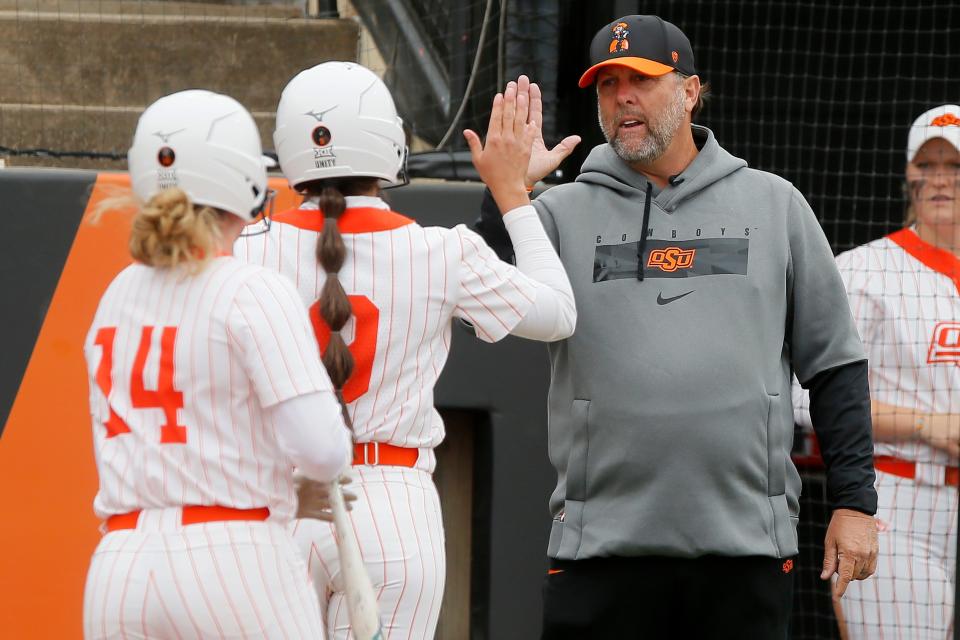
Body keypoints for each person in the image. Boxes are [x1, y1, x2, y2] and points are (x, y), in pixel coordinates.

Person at [472, 14, 880, 639]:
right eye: (607, 84)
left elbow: (835, 367)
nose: (621, 97)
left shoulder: (775, 204)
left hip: (745, 552)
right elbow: (486, 295)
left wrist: (854, 502)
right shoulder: (557, 213)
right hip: (599, 553)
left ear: (690, 92)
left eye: (640, 78)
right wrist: (506, 193)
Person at [235, 61, 576, 639]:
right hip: (392, 506)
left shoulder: (243, 249)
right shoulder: (443, 252)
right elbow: (558, 315)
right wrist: (513, 192)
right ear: (388, 142)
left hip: (277, 498)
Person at [82, 90, 353, 639]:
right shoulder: (251, 287)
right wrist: (281, 488)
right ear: (242, 179)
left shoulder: (117, 292)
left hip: (119, 565)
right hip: (233, 559)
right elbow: (323, 452)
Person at [794, 104, 960, 639]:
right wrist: (926, 424)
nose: (940, 180)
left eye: (955, 167)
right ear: (908, 174)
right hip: (901, 497)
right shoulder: (864, 270)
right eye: (928, 165)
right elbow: (805, 397)